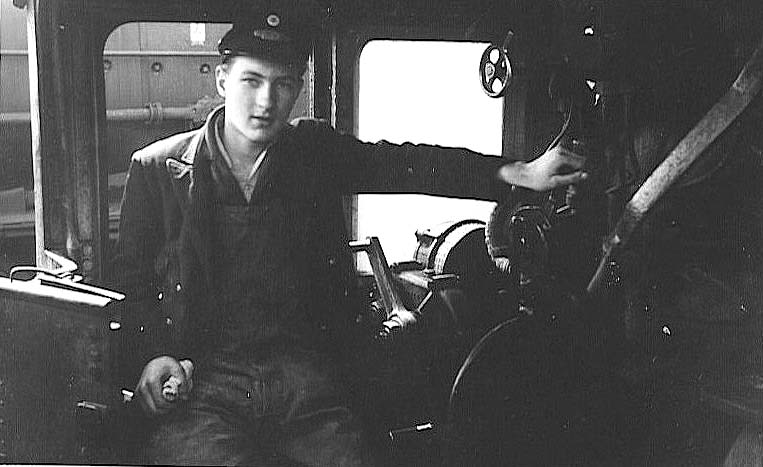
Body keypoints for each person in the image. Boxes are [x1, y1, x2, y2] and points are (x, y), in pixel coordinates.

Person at [111, 2, 588, 465]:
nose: (265, 101)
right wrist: (152, 359)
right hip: (206, 383)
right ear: (222, 80)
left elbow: (407, 162)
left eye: (282, 84)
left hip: (306, 380)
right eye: (251, 81)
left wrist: (515, 172)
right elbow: (130, 290)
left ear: (297, 90)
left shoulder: (312, 153)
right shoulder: (156, 171)